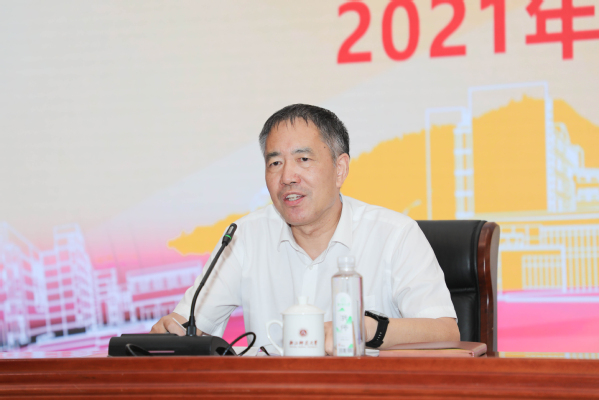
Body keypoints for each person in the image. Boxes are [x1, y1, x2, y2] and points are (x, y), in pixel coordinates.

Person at [151, 104, 459, 353]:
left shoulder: (394, 234)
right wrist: (171, 333)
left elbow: (445, 332)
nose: (287, 177)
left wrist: (365, 329)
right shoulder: (244, 237)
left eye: (303, 159)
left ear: (340, 169)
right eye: (275, 163)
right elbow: (189, 326)